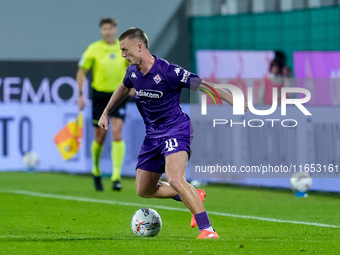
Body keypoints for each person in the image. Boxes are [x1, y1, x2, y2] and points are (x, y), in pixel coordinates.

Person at [98, 27, 247, 238]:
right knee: (144, 190)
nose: (123, 54)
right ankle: (194, 195)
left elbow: (203, 85)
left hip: (176, 129)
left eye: (125, 49)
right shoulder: (132, 71)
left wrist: (233, 99)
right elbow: (123, 88)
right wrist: (106, 113)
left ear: (140, 46)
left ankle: (208, 230)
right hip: (152, 136)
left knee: (176, 178)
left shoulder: (168, 71)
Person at [77, 17, 129, 191]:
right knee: (100, 136)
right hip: (100, 96)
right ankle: (96, 170)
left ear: (115, 30)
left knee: (117, 132)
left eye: (111, 28)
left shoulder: (122, 48)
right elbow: (82, 71)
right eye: (105, 29)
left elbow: (134, 66)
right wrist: (80, 95)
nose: (108, 31)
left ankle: (116, 176)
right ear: (101, 31)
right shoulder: (94, 48)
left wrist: (133, 85)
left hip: (119, 94)